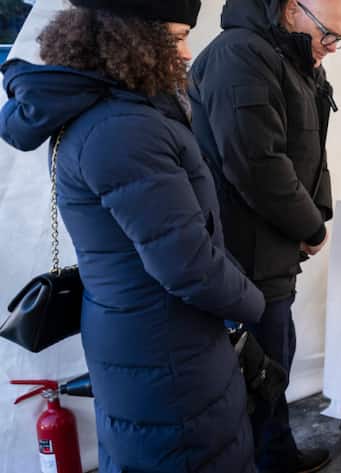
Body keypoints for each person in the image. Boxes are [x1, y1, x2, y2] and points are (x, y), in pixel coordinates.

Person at [0, 2, 266, 472]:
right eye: (178, 36)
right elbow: (189, 266)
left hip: (153, 337)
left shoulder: (115, 112)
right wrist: (254, 304)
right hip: (164, 347)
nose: (187, 52)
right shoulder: (123, 129)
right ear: (132, 35)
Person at [189, 0, 341, 472]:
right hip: (245, 252)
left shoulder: (293, 58)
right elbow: (258, 165)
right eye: (327, 33)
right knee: (259, 365)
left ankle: (275, 453)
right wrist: (311, 225)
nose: (332, 47)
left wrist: (317, 212)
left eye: (340, 38)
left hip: (272, 245)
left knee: (275, 356)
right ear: (292, 10)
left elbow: (310, 148)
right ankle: (266, 459)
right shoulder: (240, 55)